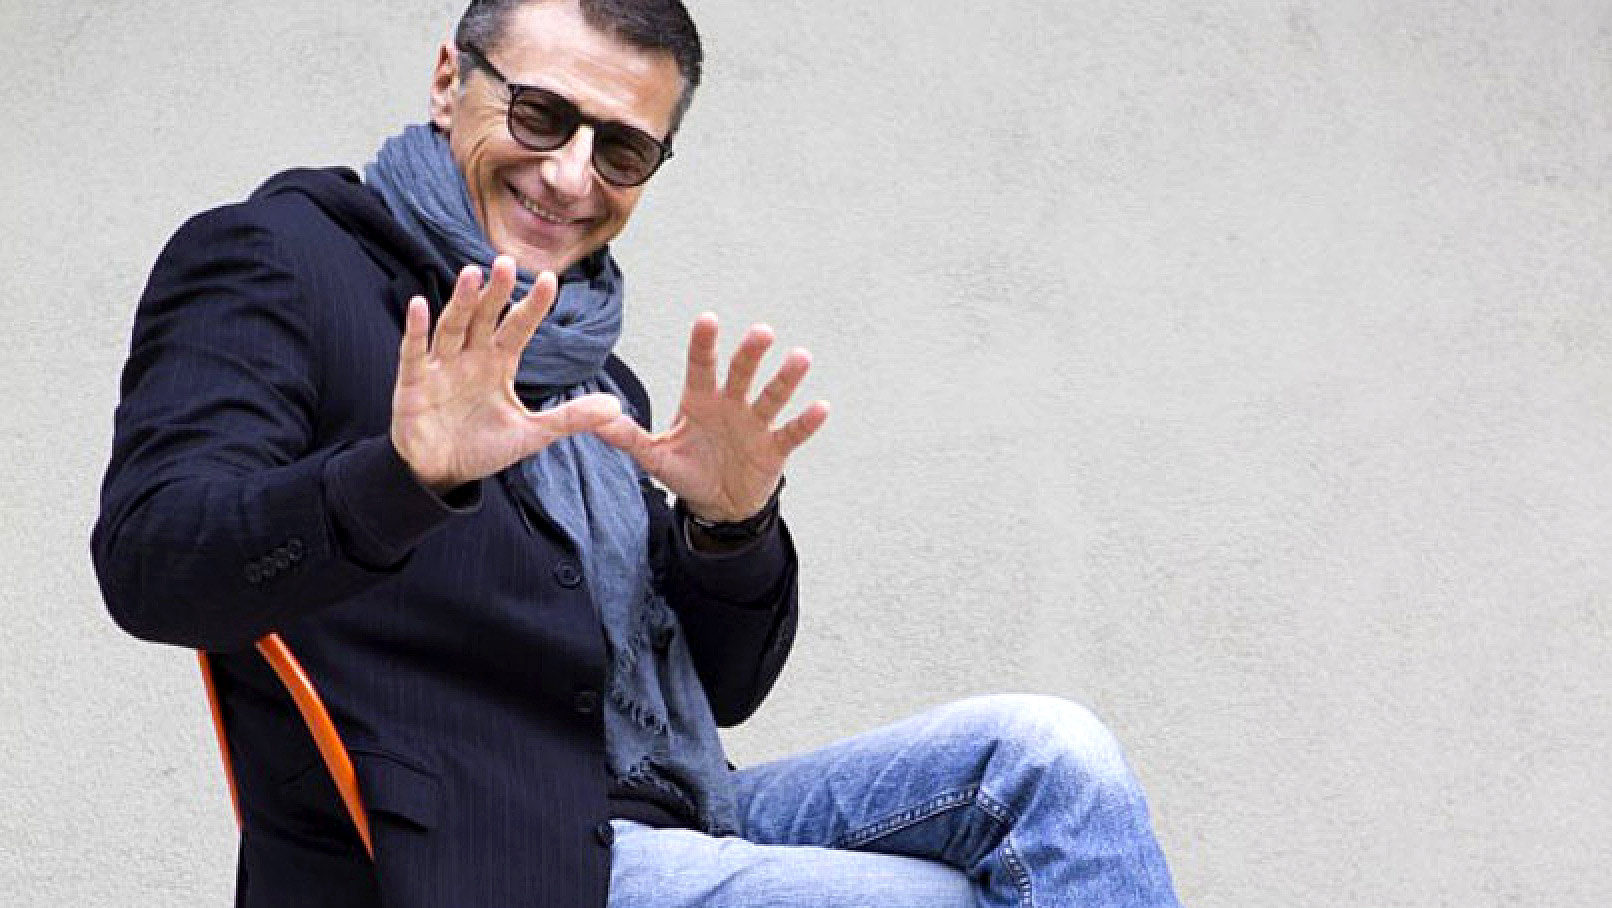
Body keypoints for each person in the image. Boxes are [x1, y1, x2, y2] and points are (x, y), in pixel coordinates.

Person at [91, 1, 1185, 906]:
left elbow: (722, 692)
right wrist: (403, 477)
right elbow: (152, 562)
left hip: (675, 806)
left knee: (1053, 753)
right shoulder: (282, 258)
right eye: (540, 115)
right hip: (480, 851)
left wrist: (729, 527)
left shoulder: (592, 373)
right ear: (448, 81)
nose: (572, 177)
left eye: (621, 149)